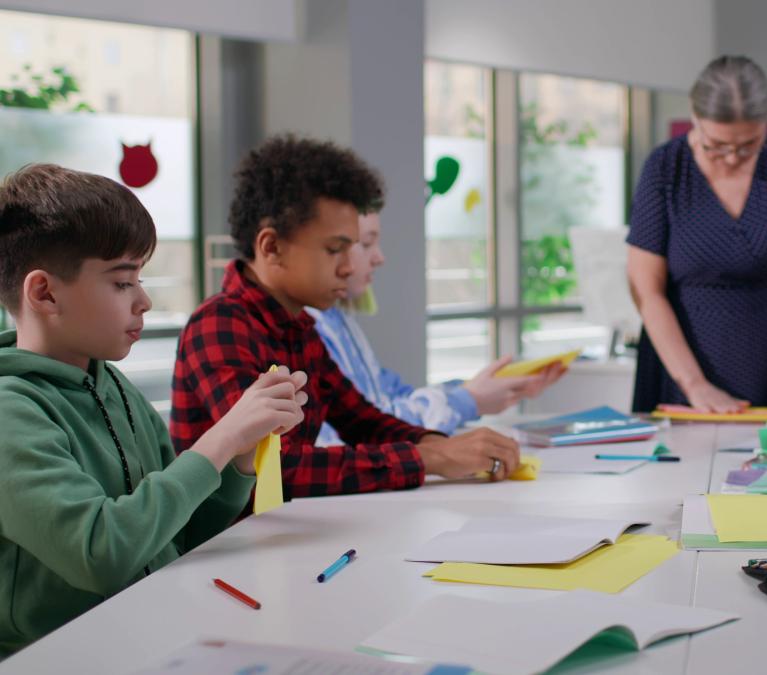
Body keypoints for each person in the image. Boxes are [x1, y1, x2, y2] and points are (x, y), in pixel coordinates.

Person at [0, 164, 307, 655]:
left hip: (151, 633)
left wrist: (239, 463)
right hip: (60, 657)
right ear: (44, 292)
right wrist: (219, 440)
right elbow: (101, 553)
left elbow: (178, 536)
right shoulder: (10, 412)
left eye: (140, 279)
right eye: (122, 283)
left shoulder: (113, 385)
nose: (143, 300)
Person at [171, 134, 522, 502]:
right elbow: (277, 468)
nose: (349, 266)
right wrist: (428, 457)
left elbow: (361, 419)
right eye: (335, 250)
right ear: (271, 247)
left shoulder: (299, 327)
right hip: (225, 549)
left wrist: (442, 444)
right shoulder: (219, 325)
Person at [626, 55, 767, 416]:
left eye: (748, 145)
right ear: (695, 117)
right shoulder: (664, 169)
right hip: (679, 371)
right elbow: (646, 290)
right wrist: (694, 384)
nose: (732, 157)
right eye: (717, 145)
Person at [309, 207, 564, 442]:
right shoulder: (312, 328)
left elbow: (391, 398)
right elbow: (366, 428)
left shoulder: (339, 320)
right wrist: (470, 399)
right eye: (365, 243)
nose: (379, 257)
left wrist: (486, 389)